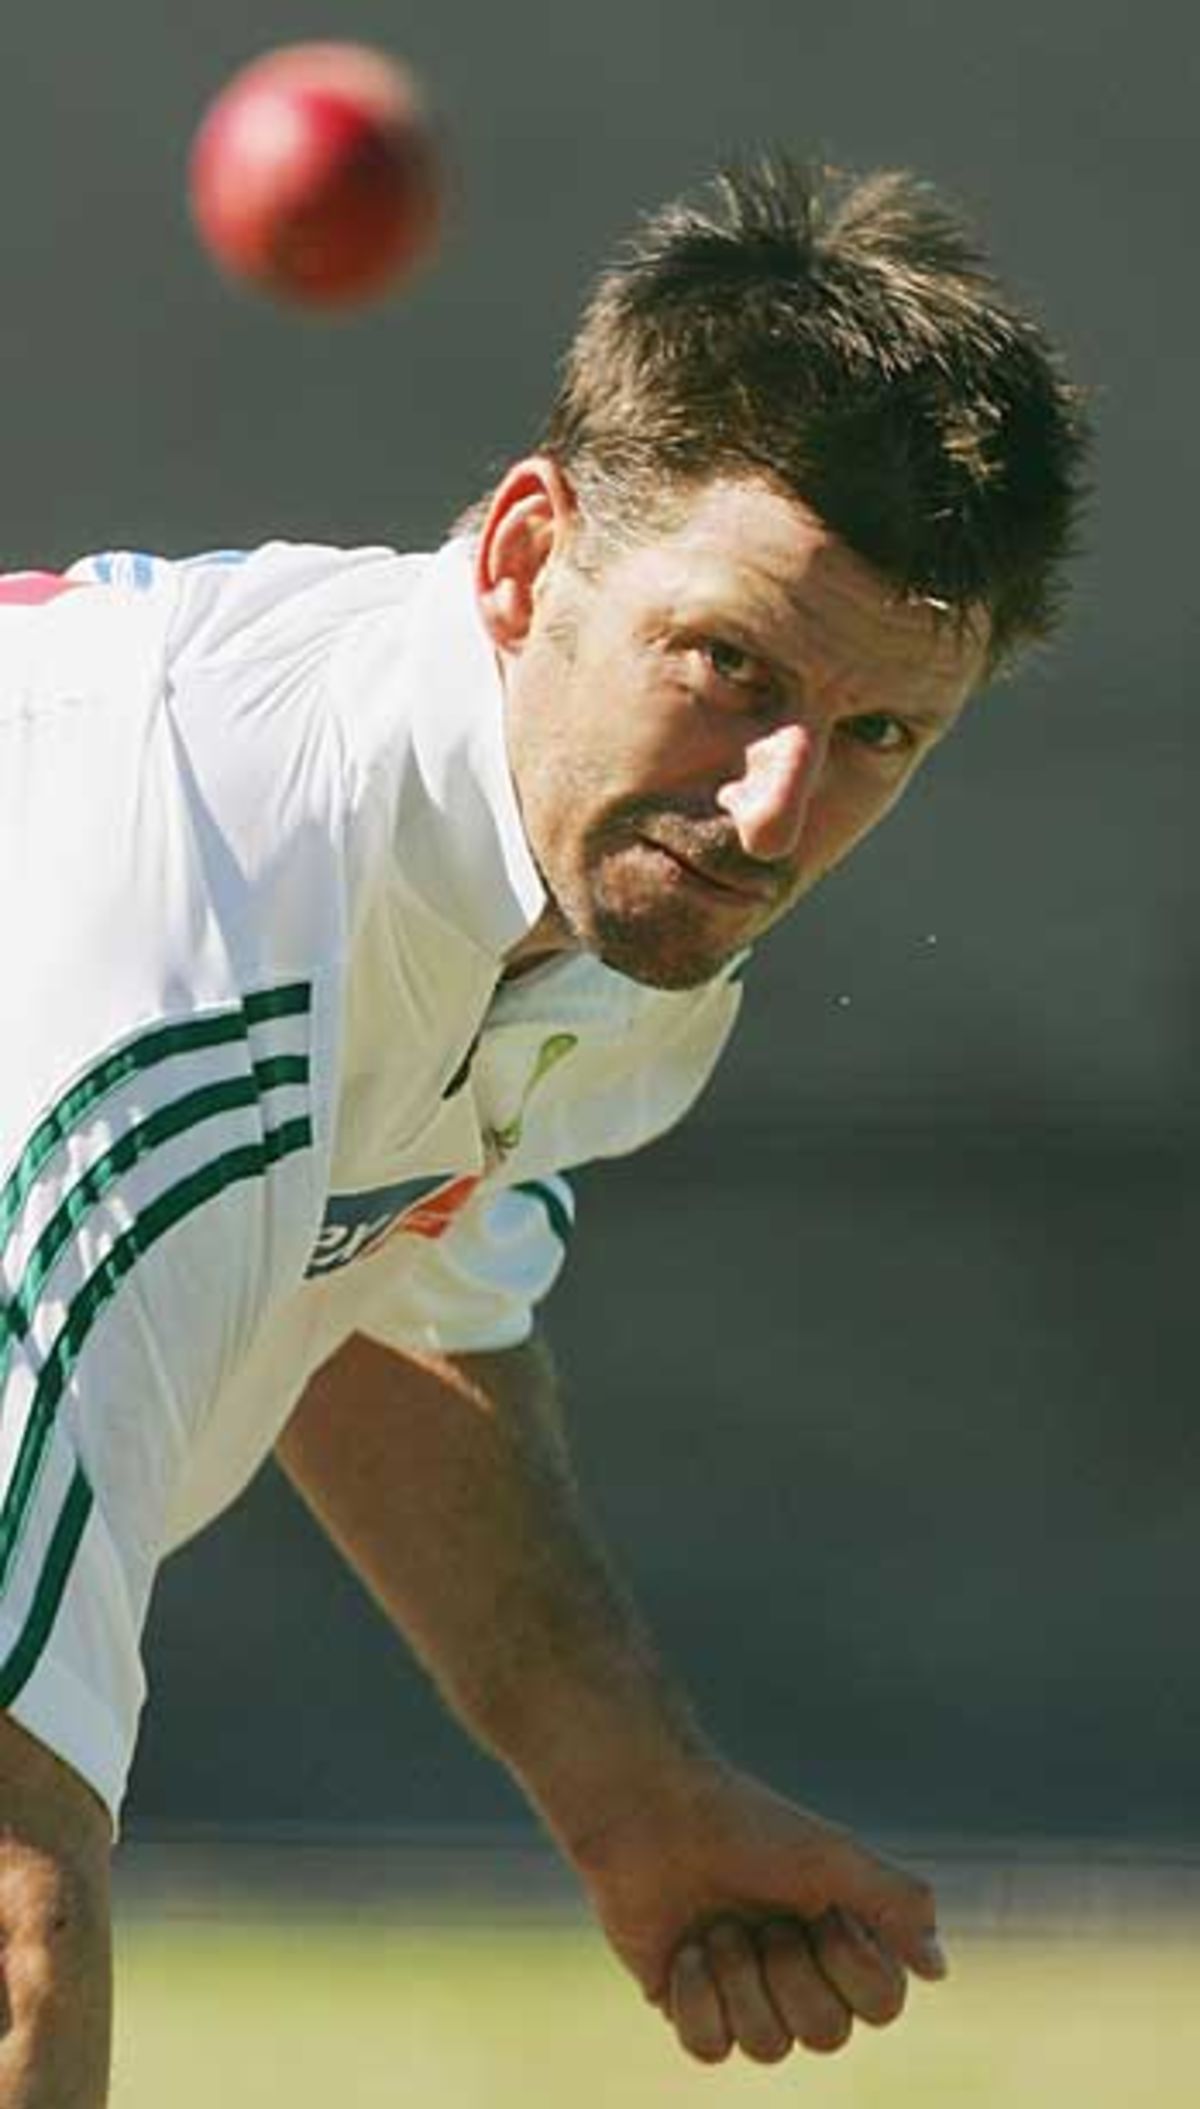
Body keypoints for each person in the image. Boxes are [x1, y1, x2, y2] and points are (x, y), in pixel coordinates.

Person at [0, 156, 1087, 2100]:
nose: (772, 808)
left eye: (877, 734)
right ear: (523, 556)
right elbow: (9, 1897)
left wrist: (629, 1789)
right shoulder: (162, 984)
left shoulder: (554, 886)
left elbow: (379, 1279)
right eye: (729, 663)